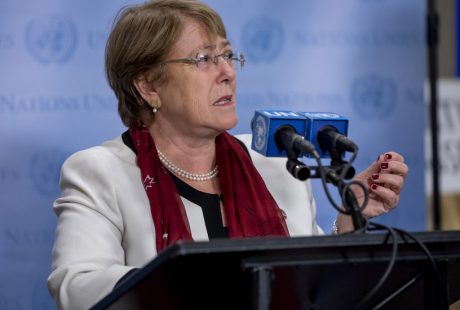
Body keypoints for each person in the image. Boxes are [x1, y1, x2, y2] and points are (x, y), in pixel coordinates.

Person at [47, 0, 409, 309]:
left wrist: (348, 221)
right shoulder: (100, 171)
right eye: (204, 58)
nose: (227, 73)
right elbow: (77, 287)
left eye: (227, 55)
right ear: (148, 86)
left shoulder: (274, 162)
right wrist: (191, 280)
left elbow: (309, 286)